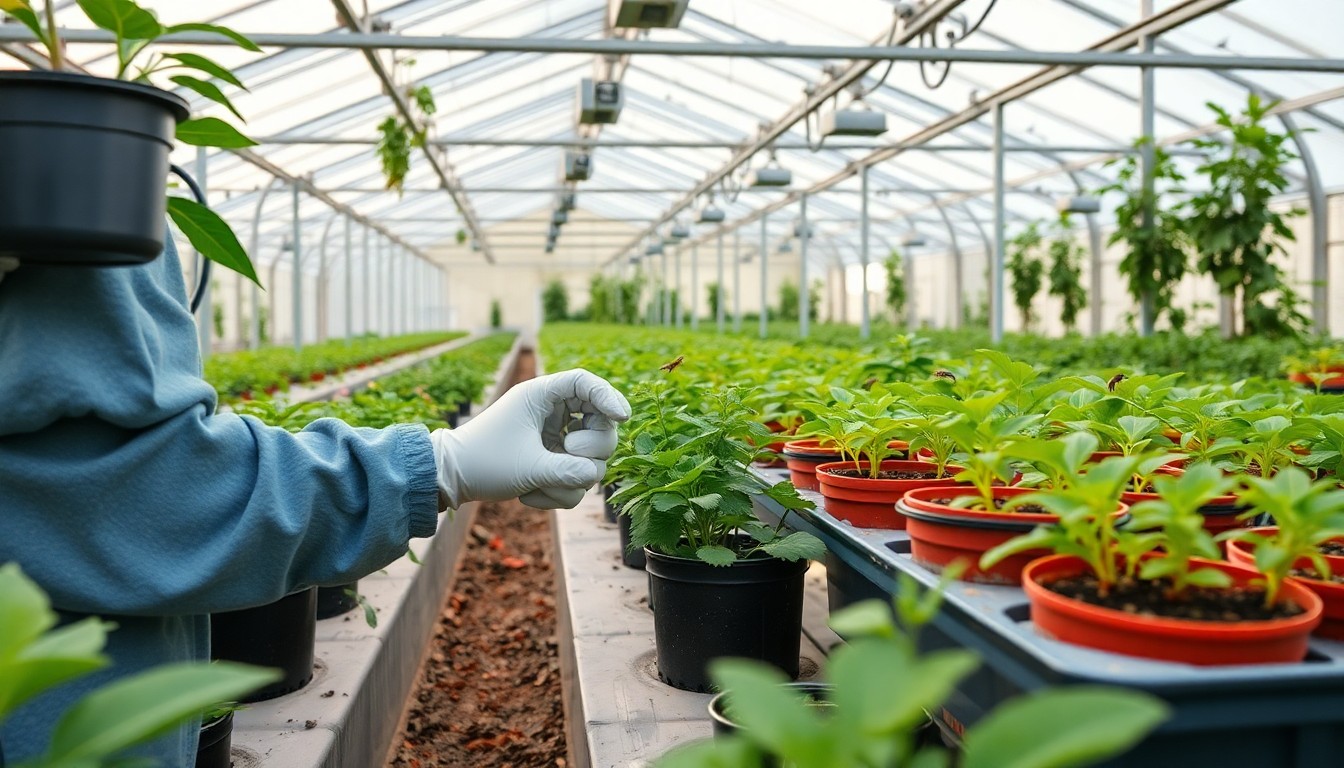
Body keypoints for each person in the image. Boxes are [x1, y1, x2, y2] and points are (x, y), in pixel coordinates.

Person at [0, 237, 628, 766]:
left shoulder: (58, 167)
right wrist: (438, 464)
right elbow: (137, 487)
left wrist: (439, 462)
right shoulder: (55, 184)